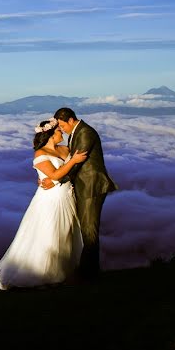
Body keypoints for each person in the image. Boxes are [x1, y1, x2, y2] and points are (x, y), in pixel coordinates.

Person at [0, 118, 86, 290]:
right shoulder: (40, 154)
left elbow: (70, 173)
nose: (62, 133)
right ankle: (43, 274)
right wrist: (71, 163)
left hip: (66, 195)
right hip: (50, 199)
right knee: (50, 232)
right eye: (58, 131)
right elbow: (56, 174)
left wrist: (61, 175)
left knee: (67, 231)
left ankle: (64, 271)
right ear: (50, 134)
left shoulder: (65, 149)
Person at [39, 107, 118, 282]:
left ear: (70, 120)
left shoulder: (85, 133)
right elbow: (68, 161)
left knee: (89, 231)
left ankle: (88, 275)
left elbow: (76, 164)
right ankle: (88, 272)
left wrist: (54, 180)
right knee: (86, 230)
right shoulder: (76, 132)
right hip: (82, 187)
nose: (61, 129)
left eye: (61, 125)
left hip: (91, 187)